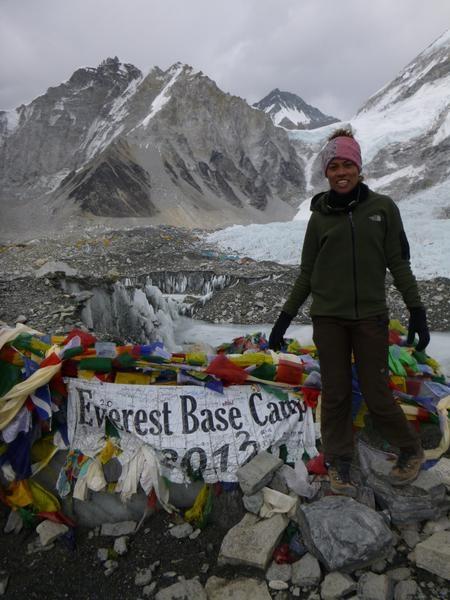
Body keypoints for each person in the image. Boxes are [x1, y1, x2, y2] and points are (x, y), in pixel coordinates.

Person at [268, 129, 430, 497]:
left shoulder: (383, 209)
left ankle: (410, 449)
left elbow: (398, 262)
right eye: (334, 166)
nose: (341, 172)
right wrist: (284, 319)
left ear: (359, 168)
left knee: (376, 391)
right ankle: (339, 460)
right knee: (337, 392)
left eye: (348, 165)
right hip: (329, 319)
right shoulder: (319, 218)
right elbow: (307, 273)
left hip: (371, 317)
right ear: (326, 172)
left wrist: (416, 309)